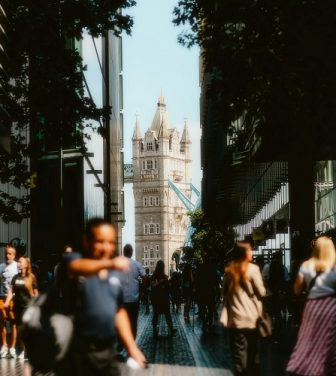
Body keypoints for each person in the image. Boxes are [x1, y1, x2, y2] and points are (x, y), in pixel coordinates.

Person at [61, 218, 146, 375]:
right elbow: (74, 267)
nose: (106, 248)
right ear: (86, 241)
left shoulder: (113, 275)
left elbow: (118, 311)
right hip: (77, 354)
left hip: (107, 353)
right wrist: (110, 264)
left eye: (110, 242)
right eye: (100, 241)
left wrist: (132, 348)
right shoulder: (72, 260)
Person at [286, 236, 336, 376]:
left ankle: (309, 367)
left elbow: (296, 290)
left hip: (312, 307)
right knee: (331, 341)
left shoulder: (306, 265)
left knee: (308, 339)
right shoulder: (334, 267)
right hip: (331, 307)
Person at [223, 241, 266, 376]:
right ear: (244, 253)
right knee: (253, 351)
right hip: (252, 317)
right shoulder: (253, 269)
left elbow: (224, 292)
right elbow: (261, 292)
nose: (252, 252)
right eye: (249, 250)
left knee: (239, 354)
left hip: (235, 319)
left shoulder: (229, 270)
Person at [4, 256, 38, 359]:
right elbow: (11, 291)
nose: (18, 263)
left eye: (20, 262)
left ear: (26, 264)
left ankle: (25, 351)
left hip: (27, 307)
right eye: (18, 262)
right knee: (19, 329)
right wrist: (7, 301)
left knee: (25, 329)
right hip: (17, 307)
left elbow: (35, 293)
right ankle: (24, 349)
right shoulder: (16, 277)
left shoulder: (31, 277)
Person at [121, 243, 145, 339]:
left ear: (123, 252)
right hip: (134, 298)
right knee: (134, 321)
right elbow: (145, 277)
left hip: (122, 299)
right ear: (131, 253)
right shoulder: (136, 264)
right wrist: (143, 290)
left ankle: (123, 339)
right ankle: (132, 339)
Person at [0, 245, 19, 358]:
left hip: (14, 298)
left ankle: (12, 347)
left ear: (14, 255)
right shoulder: (1, 266)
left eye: (10, 254)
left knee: (13, 323)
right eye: (6, 253)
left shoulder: (17, 266)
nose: (7, 255)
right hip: (2, 297)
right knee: (2, 322)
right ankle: (4, 346)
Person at [151, 260, 175, 337]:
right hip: (164, 298)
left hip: (156, 298)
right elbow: (168, 288)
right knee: (167, 314)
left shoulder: (154, 276)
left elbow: (152, 286)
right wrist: (161, 282)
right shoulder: (163, 277)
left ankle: (154, 331)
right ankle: (171, 329)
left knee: (156, 314)